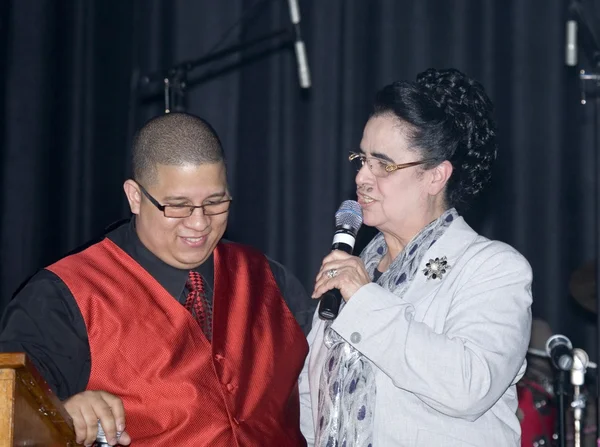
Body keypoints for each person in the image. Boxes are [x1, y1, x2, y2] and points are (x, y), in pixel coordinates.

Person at [0, 113, 313, 446]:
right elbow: (14, 414)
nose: (199, 223)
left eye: (215, 202)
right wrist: (61, 413)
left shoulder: (269, 279)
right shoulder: (63, 298)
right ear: (135, 197)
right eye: (178, 206)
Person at [299, 68, 533, 446]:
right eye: (361, 158)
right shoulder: (352, 269)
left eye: (383, 164)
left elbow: (468, 386)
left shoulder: (492, 268)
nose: (362, 176)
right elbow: (312, 401)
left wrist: (363, 298)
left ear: (436, 176)